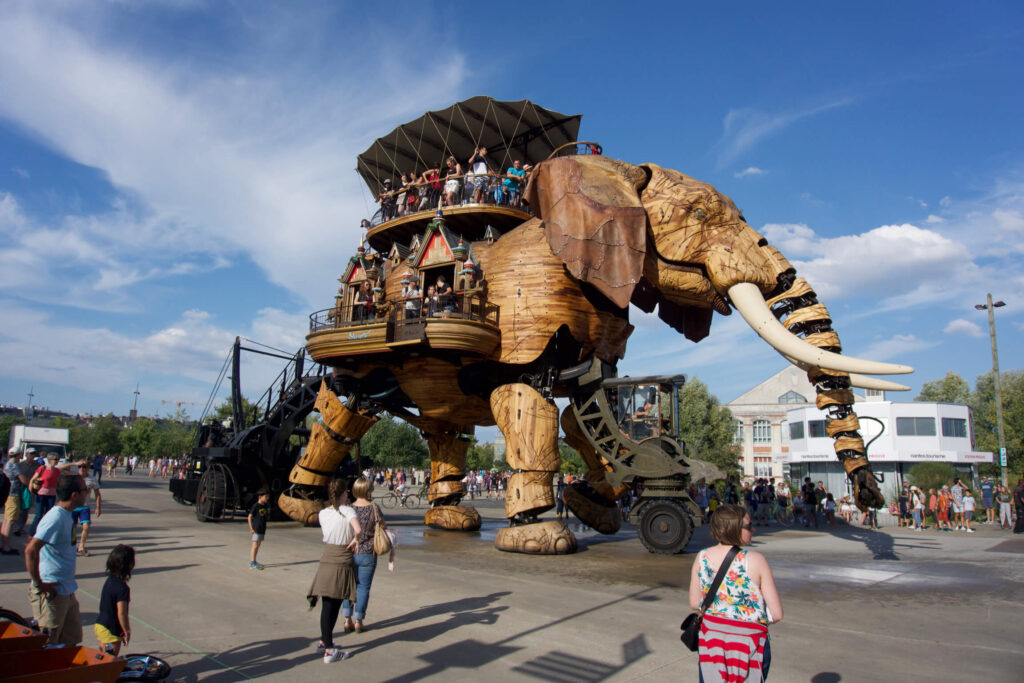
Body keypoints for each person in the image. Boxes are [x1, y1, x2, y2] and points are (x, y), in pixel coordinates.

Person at [689, 503, 782, 682]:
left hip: (712, 640)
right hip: (749, 644)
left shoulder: (701, 557)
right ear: (735, 529)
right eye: (748, 526)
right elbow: (776, 614)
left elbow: (695, 603)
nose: (753, 529)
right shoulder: (756, 560)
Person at [25, 473, 88, 646]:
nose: (87, 493)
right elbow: (31, 549)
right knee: (49, 642)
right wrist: (38, 583)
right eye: (85, 490)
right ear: (74, 495)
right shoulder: (55, 518)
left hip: (66, 589)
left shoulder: (67, 515)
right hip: (51, 591)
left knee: (71, 639)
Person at [308, 479, 360, 663]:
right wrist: (357, 539)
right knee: (333, 605)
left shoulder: (323, 513)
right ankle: (329, 649)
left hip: (327, 559)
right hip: (341, 559)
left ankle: (324, 641)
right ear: (344, 493)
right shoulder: (347, 510)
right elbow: (358, 529)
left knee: (328, 604)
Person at [341, 477, 386, 634]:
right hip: (368, 553)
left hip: (350, 552)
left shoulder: (348, 508)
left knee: (348, 586)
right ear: (368, 490)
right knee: (363, 588)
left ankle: (347, 619)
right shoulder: (374, 508)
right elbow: (383, 526)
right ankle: (359, 620)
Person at [94, 544, 134, 656]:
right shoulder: (122, 588)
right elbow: (121, 612)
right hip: (111, 631)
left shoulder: (109, 581)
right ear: (129, 565)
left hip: (101, 625)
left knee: (102, 659)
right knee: (109, 662)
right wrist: (126, 631)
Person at [28, 452, 63, 536]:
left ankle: (43, 532)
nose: (57, 461)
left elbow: (58, 483)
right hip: (41, 494)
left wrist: (59, 494)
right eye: (55, 459)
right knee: (39, 514)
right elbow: (32, 479)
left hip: (52, 495)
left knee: (48, 515)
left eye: (58, 459)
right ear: (49, 460)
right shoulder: (42, 468)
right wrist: (31, 491)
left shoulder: (57, 471)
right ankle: (32, 533)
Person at [2, 449, 29, 555]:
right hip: (13, 495)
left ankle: (4, 544)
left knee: (6, 520)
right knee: (10, 520)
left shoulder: (7, 464)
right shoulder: (14, 465)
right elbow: (24, 480)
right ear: (18, 455)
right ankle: (6, 547)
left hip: (7, 494)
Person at [73, 463, 101, 556]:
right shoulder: (74, 477)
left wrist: (98, 507)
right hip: (73, 506)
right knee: (72, 528)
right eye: (79, 466)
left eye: (84, 466)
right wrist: (74, 463)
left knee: (86, 526)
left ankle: (81, 546)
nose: (81, 468)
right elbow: (60, 468)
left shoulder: (92, 479)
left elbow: (97, 494)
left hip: (84, 506)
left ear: (88, 468)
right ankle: (72, 546)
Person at [248, 489, 270, 570]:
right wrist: (251, 528)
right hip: (256, 529)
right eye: (266, 496)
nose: (267, 498)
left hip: (262, 529)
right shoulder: (256, 506)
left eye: (268, 496)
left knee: (258, 545)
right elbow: (249, 517)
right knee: (254, 546)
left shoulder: (264, 506)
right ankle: (252, 563)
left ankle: (255, 561)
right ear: (260, 497)